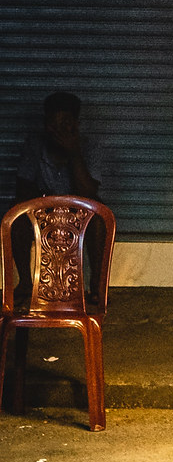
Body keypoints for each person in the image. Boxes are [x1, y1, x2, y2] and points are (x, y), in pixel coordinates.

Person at [13, 91, 105, 305]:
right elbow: (23, 188)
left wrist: (73, 152)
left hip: (80, 213)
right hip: (43, 211)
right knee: (16, 219)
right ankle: (26, 283)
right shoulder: (36, 145)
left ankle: (96, 286)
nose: (59, 131)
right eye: (53, 124)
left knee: (100, 220)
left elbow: (89, 192)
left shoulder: (91, 147)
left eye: (66, 123)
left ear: (76, 124)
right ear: (46, 125)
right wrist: (46, 205)